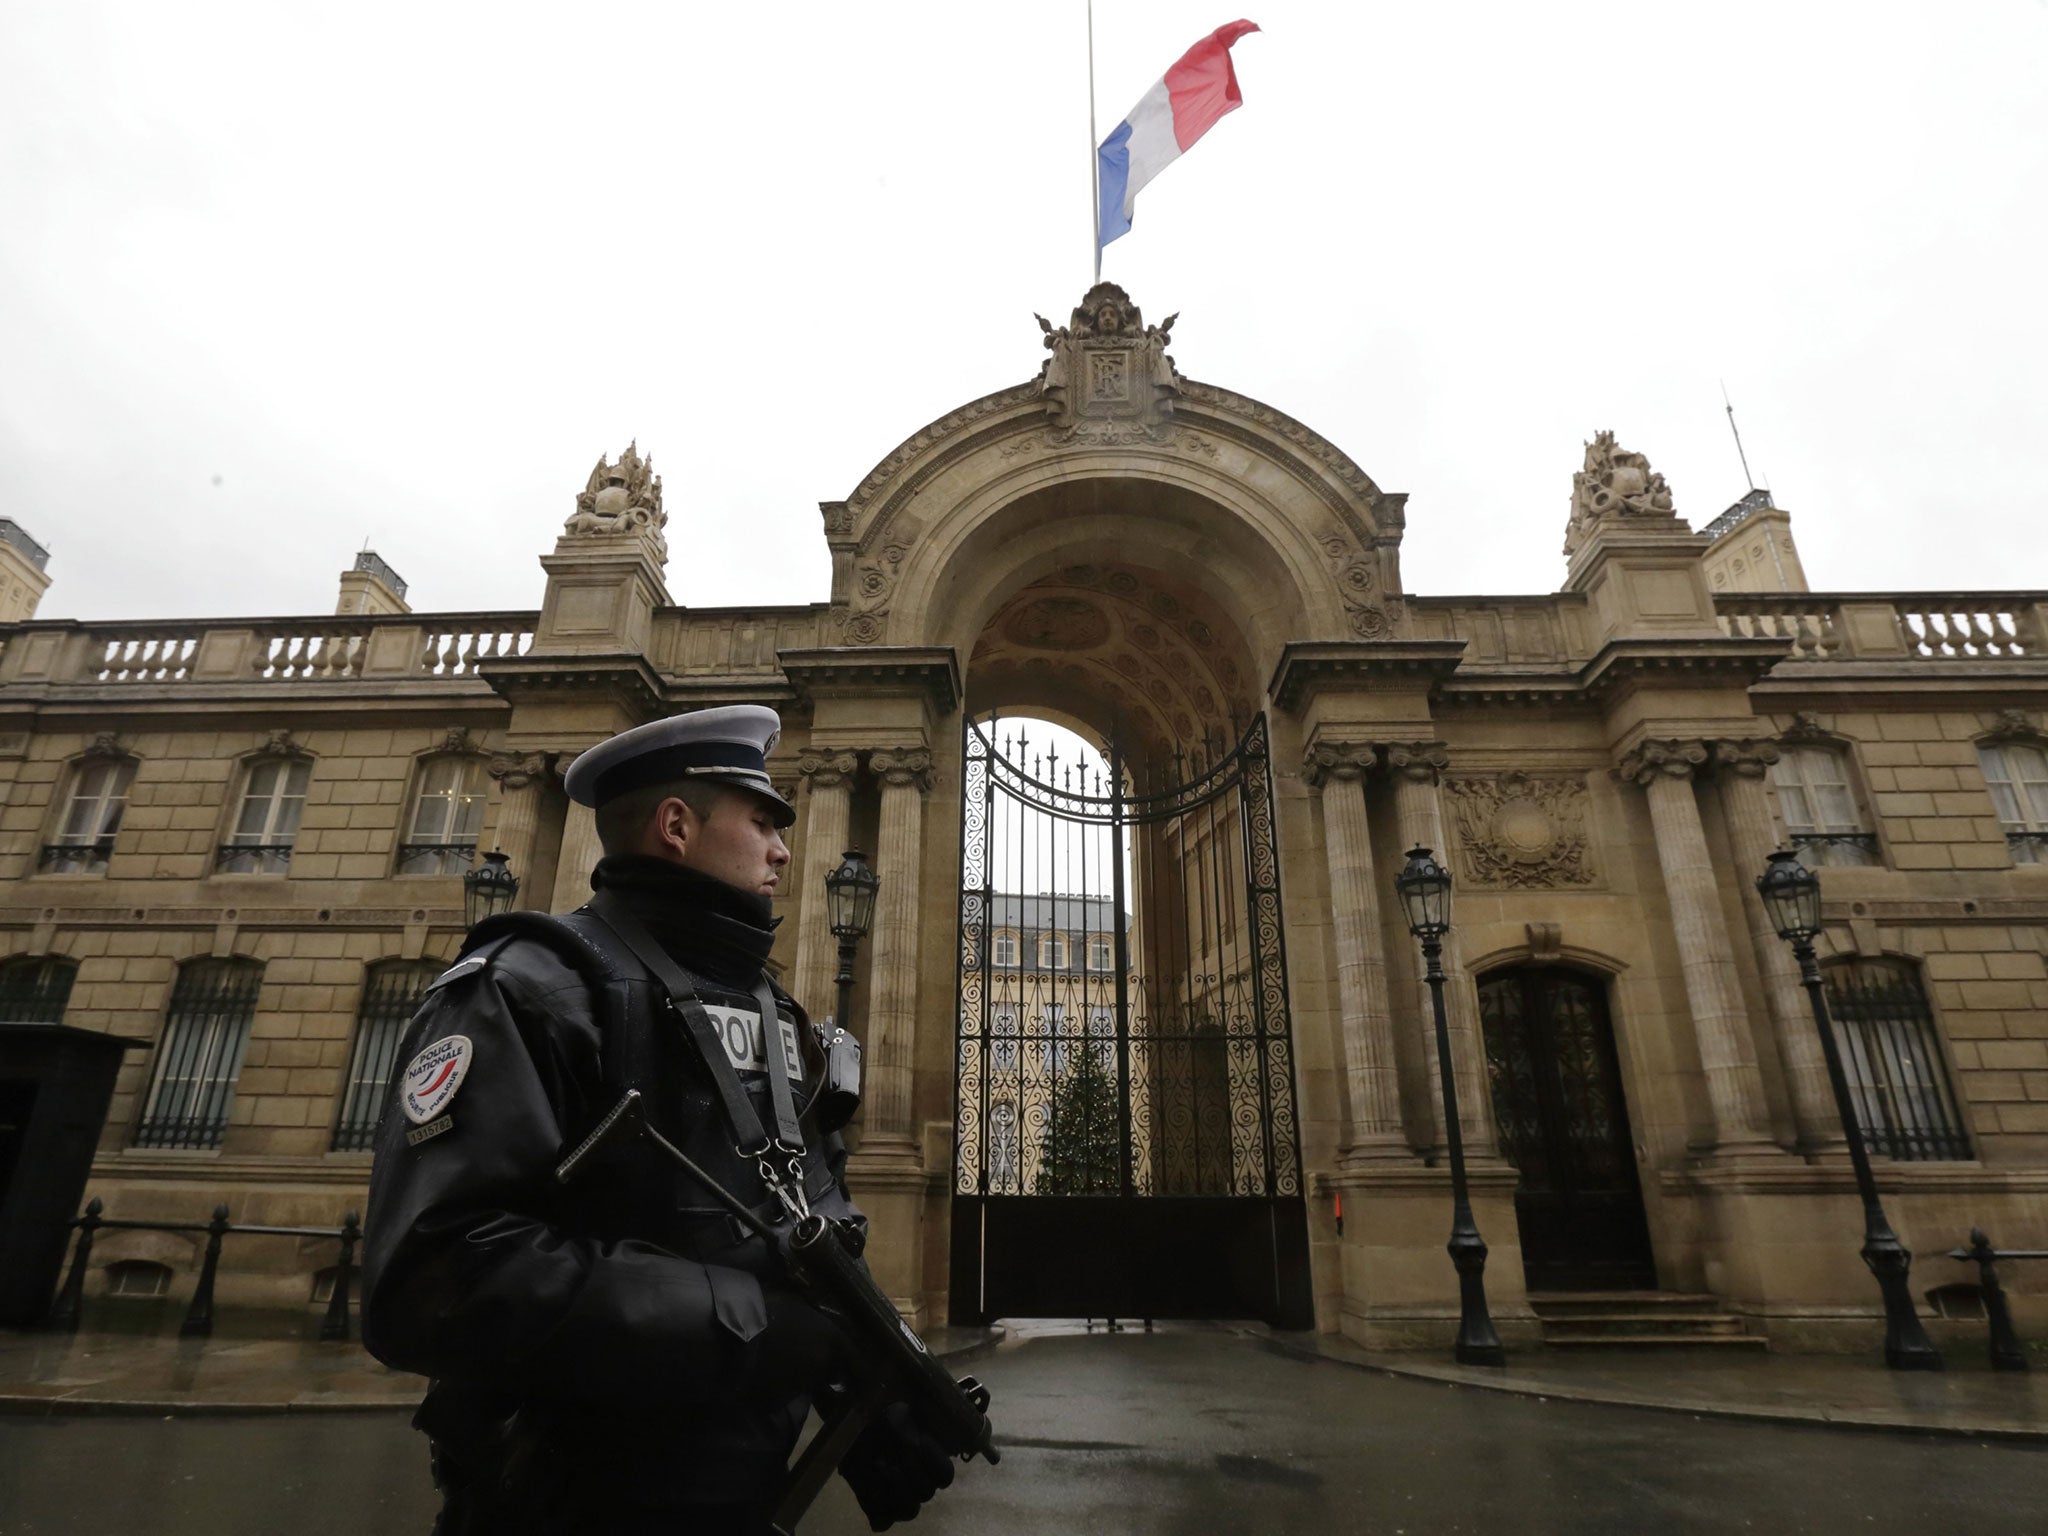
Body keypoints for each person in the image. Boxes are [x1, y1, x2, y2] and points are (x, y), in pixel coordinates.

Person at [362, 704, 954, 1535]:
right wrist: (751, 1329)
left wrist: (860, 1383)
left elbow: (810, 1223)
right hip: (558, 1504)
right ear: (677, 826)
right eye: (762, 821)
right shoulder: (522, 987)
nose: (785, 848)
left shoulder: (774, 1011)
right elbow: (435, 1279)